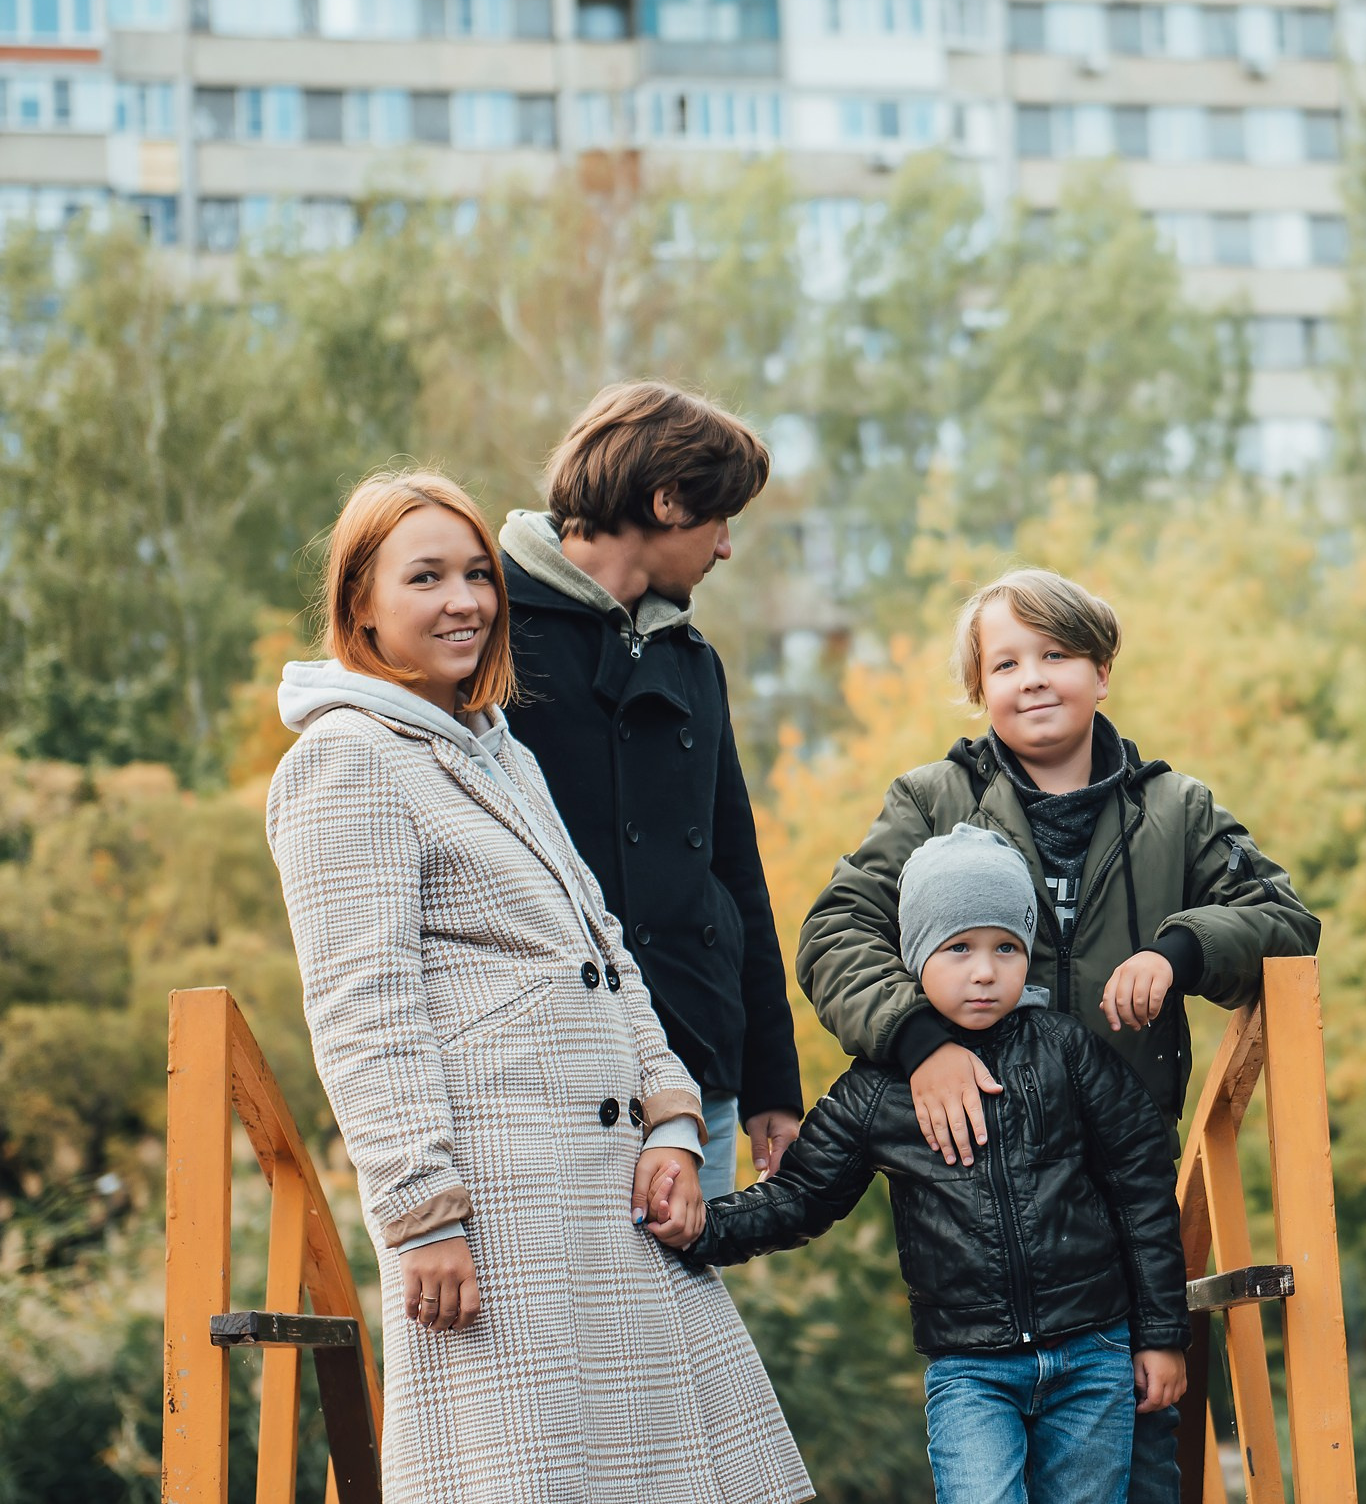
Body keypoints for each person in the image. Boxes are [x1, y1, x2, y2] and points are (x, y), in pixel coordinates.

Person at [266, 470, 811, 1504]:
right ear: (359, 606)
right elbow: (360, 1011)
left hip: (614, 1196)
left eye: (477, 573)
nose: (465, 599)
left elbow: (604, 945)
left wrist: (672, 1121)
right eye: (424, 577)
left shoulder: (497, 750)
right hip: (499, 1210)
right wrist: (421, 1215)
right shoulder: (345, 761)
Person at [795, 568, 1320, 1504]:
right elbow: (835, 932)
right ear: (979, 687)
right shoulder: (930, 802)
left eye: (1057, 653)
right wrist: (919, 1041)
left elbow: (1284, 919)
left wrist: (1182, 948)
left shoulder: (1176, 809)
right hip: (984, 1194)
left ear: (1102, 671)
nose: (1032, 677)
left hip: (1123, 1195)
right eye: (1006, 661)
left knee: (1139, 1457)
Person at [672, 823, 1188, 1504]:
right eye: (958, 948)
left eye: (1006, 946)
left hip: (1091, 1353)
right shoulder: (876, 1091)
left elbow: (1141, 1190)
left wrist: (1159, 1336)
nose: (984, 970)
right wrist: (699, 1226)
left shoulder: (1067, 1051)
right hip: (971, 1369)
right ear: (915, 956)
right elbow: (800, 1194)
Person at [495, 382, 803, 1201]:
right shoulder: (486, 627)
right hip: (547, 1067)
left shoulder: (693, 659)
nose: (727, 547)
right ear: (666, 500)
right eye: (718, 519)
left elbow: (735, 867)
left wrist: (771, 1080)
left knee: (685, 1318)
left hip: (699, 1061)